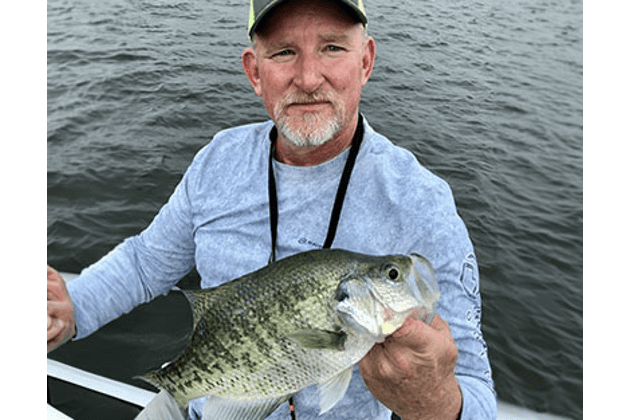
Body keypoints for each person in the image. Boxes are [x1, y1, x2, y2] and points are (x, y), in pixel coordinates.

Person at [47, 0, 497, 419]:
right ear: (254, 71)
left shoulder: (421, 202)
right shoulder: (219, 160)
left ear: (365, 61)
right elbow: (146, 262)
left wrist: (437, 402)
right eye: (284, 52)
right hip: (200, 404)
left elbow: (476, 388)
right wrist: (74, 307)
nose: (307, 78)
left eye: (332, 47)